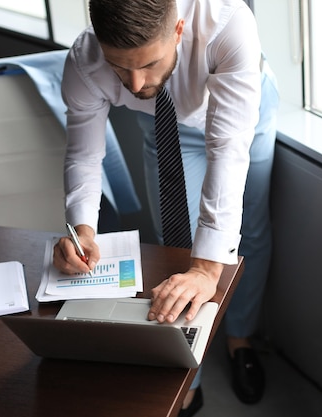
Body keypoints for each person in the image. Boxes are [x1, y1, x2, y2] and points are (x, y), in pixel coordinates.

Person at [53, 0, 279, 415]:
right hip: (165, 127)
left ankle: (240, 338)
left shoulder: (228, 25)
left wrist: (208, 269)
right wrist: (82, 227)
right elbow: (83, 157)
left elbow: (228, 149)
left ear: (177, 31)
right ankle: (186, 377)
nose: (136, 84)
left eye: (149, 64)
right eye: (121, 68)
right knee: (174, 247)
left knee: (248, 233)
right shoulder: (85, 60)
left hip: (244, 115)